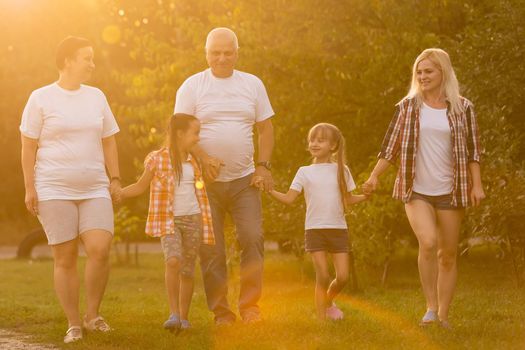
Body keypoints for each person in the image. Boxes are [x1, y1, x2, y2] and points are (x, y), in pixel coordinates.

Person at [363, 48, 485, 329]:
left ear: (443, 72)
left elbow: (473, 151)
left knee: (448, 254)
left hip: (452, 190)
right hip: (415, 188)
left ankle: (443, 315)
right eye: (419, 71)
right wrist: (374, 177)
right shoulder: (407, 107)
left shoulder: (463, 107)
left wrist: (477, 185)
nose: (422, 76)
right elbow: (389, 148)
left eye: (428, 71)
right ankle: (430, 307)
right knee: (428, 242)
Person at [20, 36, 121, 343]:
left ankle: (93, 315)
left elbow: (108, 139)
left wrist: (115, 178)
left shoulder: (96, 96)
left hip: (94, 186)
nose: (92, 64)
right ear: (67, 61)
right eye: (86, 58)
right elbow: (28, 146)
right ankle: (74, 323)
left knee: (100, 249)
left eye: (92, 58)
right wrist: (29, 188)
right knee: (64, 258)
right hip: (53, 188)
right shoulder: (40, 98)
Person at [174, 27, 274, 324]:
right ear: (206, 54)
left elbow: (266, 128)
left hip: (245, 180)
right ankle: (221, 311)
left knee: (252, 237)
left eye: (227, 52)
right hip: (205, 183)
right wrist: (204, 158)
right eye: (215, 53)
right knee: (212, 248)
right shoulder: (192, 86)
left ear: (236, 53)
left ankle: (250, 307)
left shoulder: (252, 84)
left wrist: (263, 166)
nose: (221, 58)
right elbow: (179, 133)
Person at [120, 114, 215, 331]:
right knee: (173, 261)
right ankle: (173, 314)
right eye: (195, 133)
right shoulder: (157, 159)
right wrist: (118, 193)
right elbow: (140, 186)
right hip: (169, 219)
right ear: (180, 134)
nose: (198, 138)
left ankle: (184, 318)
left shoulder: (195, 161)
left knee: (188, 270)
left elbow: (201, 188)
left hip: (193, 219)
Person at [270, 123, 367, 320]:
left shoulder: (342, 170)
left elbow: (348, 199)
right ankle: (321, 319)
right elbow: (289, 199)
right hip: (314, 230)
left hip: (338, 229)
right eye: (312, 140)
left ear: (333, 146)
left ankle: (329, 301)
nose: (314, 143)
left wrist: (366, 196)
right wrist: (269, 190)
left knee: (343, 277)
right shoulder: (304, 171)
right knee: (322, 276)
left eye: (320, 140)